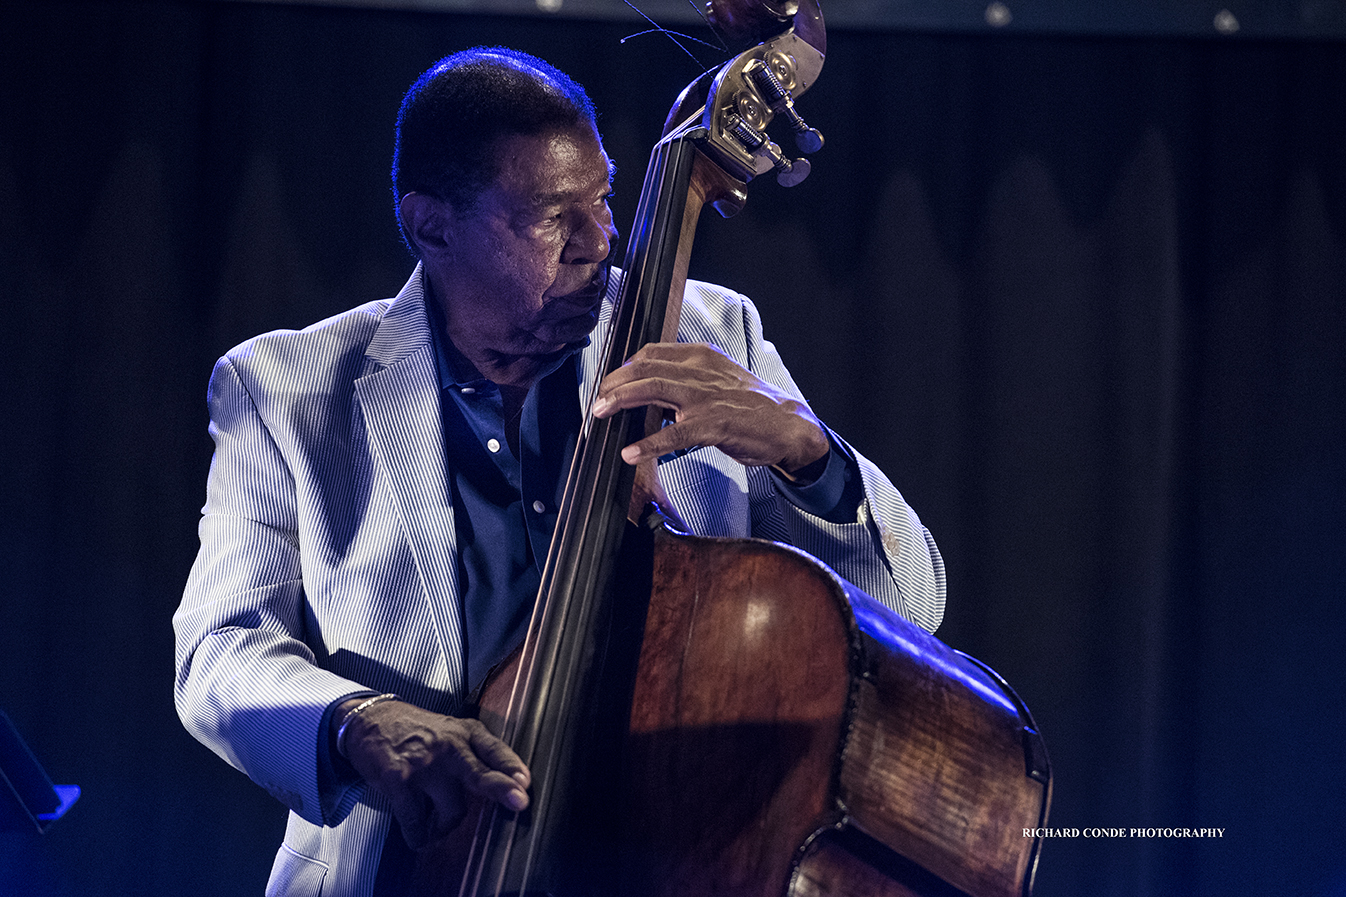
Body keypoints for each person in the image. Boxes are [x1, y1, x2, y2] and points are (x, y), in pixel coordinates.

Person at [174, 47, 945, 896]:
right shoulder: (282, 388)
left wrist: (809, 456)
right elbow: (221, 649)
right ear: (431, 225)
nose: (602, 242)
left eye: (605, 199)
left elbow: (909, 612)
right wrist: (357, 723)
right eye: (551, 218)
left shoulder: (711, 333)